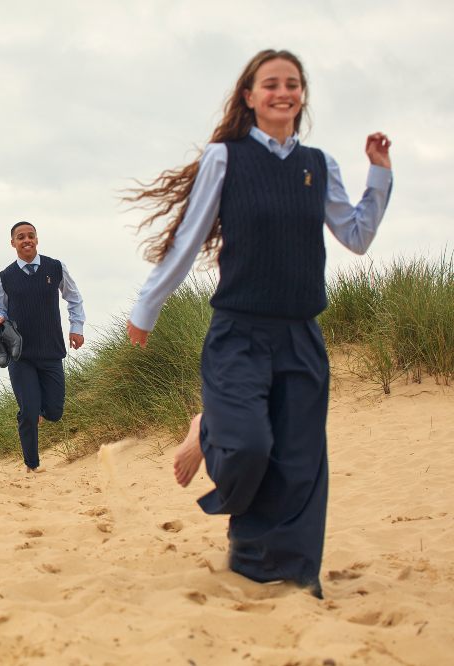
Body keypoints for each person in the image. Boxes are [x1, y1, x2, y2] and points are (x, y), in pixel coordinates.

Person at [125, 49, 392, 596]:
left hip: (300, 334)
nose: (282, 92)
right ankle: (209, 428)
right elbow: (189, 238)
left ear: (302, 96)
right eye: (270, 84)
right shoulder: (227, 158)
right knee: (247, 447)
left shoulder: (318, 165)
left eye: (292, 84)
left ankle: (275, 570)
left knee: (298, 462)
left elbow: (357, 236)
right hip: (240, 333)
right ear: (249, 97)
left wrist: (380, 176)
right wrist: (146, 307)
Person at [0, 221, 85, 471]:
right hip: (19, 354)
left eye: (31, 236)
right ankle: (32, 466)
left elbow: (73, 298)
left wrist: (77, 328)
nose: (26, 240)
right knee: (29, 413)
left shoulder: (55, 267)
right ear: (13, 243)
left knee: (54, 411)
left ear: (37, 239)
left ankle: (38, 409)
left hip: (51, 350)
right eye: (21, 237)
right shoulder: (5, 277)